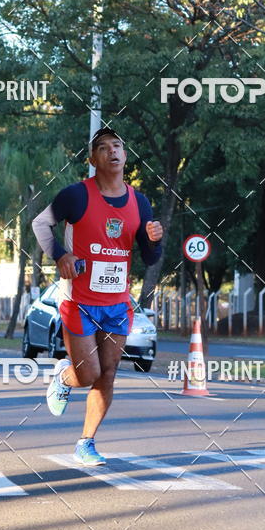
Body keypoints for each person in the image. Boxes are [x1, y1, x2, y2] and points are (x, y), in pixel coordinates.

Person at [32, 128, 163, 466]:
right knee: (87, 373)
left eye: (117, 145)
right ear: (93, 159)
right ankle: (64, 376)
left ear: (125, 154)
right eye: (103, 148)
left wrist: (154, 239)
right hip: (79, 300)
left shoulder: (140, 202)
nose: (112, 152)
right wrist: (60, 254)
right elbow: (40, 224)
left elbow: (149, 257)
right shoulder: (76, 196)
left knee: (108, 373)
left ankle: (86, 443)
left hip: (118, 303)